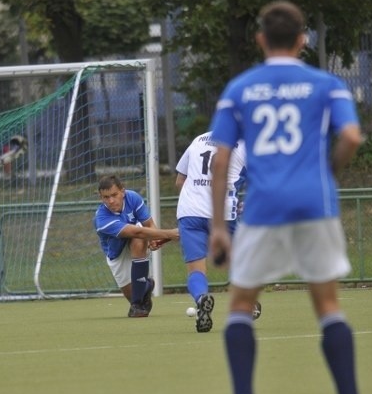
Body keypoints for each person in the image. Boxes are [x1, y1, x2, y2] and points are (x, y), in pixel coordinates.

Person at [208, 0, 369, 394]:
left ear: (260, 39)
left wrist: (220, 226)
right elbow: (352, 137)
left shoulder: (240, 88)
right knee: (328, 306)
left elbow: (221, 158)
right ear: (302, 40)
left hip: (262, 209)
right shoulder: (325, 83)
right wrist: (329, 173)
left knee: (241, 304)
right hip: (315, 205)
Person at [175, 132, 261, 333]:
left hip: (189, 211)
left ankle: (201, 298)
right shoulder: (245, 144)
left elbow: (180, 181)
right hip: (222, 212)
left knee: (196, 270)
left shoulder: (197, 140)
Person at [94, 175, 179, 317]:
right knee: (133, 293)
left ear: (123, 191)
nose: (111, 201)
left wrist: (153, 238)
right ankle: (146, 286)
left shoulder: (132, 198)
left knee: (139, 239)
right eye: (106, 197)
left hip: (136, 241)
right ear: (101, 198)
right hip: (116, 254)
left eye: (114, 195)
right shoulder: (101, 218)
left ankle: (136, 306)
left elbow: (148, 224)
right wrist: (169, 234)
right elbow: (135, 231)